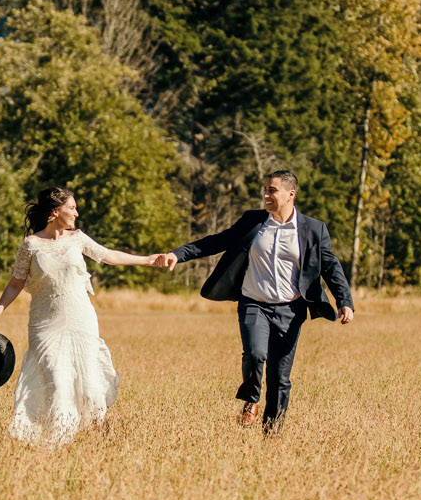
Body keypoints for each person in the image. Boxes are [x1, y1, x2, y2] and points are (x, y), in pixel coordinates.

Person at [148, 170, 353, 434]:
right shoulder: (254, 221)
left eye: (272, 190)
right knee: (255, 354)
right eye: (265, 190)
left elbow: (331, 266)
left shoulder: (314, 229)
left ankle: (272, 432)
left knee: (280, 377)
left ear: (291, 194)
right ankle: (251, 399)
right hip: (254, 303)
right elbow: (218, 241)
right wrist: (179, 254)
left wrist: (344, 301)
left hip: (291, 310)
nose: (266, 195)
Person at [0, 186, 163, 444]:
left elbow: (107, 256)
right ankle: (58, 439)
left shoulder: (78, 238)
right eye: (72, 207)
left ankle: (100, 436)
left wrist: (148, 260)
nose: (76, 213)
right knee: (57, 378)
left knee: (89, 383)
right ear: (55, 211)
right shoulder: (31, 245)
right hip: (45, 323)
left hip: (81, 318)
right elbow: (15, 284)